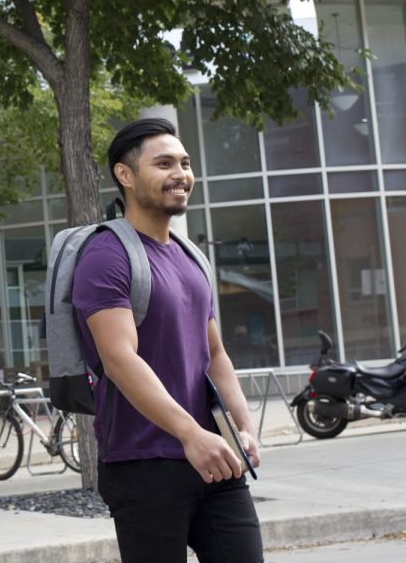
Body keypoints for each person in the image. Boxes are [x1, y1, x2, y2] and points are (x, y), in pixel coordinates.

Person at [72, 117, 263, 563]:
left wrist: (242, 428)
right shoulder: (106, 255)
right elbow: (119, 359)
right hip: (144, 461)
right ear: (126, 175)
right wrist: (188, 434)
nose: (180, 174)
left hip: (215, 453)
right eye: (163, 164)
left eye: (185, 162)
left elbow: (215, 355)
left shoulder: (191, 257)